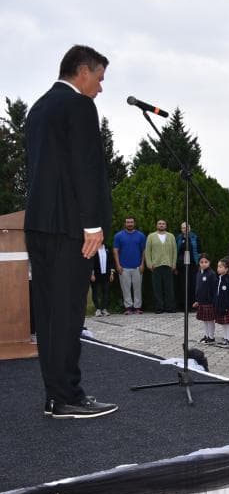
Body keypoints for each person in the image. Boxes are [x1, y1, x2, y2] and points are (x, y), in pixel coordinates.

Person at [25, 45, 117, 418]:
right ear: (82, 71)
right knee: (67, 314)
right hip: (70, 229)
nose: (100, 87)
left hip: (39, 226)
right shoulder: (79, 106)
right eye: (99, 78)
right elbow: (85, 166)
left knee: (48, 315)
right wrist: (92, 224)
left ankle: (54, 395)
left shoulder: (38, 108)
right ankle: (68, 396)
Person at [114, 216, 146, 315]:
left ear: (134, 223)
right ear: (125, 224)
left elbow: (144, 251)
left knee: (137, 288)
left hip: (137, 266)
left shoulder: (140, 235)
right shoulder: (119, 236)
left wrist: (142, 264)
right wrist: (118, 265)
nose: (130, 224)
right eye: (128, 222)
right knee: (125, 288)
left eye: (131, 222)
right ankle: (128, 307)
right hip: (123, 267)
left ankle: (137, 307)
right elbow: (115, 250)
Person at [145, 219, 177, 313]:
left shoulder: (171, 236)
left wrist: (173, 263)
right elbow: (147, 251)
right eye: (159, 224)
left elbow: (174, 251)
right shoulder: (151, 236)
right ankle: (159, 307)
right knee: (157, 288)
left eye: (163, 224)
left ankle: (169, 307)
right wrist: (149, 264)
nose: (161, 225)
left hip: (168, 265)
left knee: (169, 288)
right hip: (156, 265)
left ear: (166, 226)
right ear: (156, 225)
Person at [175, 221, 201, 310]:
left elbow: (199, 250)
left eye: (187, 227)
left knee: (193, 284)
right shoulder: (178, 238)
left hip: (193, 264)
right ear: (181, 229)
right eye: (183, 228)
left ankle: (193, 305)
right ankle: (183, 305)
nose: (185, 229)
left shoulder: (195, 237)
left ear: (189, 228)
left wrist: (199, 263)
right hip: (181, 265)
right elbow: (176, 252)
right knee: (183, 285)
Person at [213, 257, 229, 347]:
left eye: (220, 267)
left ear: (226, 269)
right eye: (218, 266)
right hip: (220, 305)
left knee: (228, 323)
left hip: (227, 306)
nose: (218, 268)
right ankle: (225, 338)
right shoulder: (219, 278)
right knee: (223, 323)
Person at [193, 253, 216, 344]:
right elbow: (198, 287)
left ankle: (211, 336)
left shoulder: (211, 274)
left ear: (209, 263)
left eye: (206, 262)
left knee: (210, 320)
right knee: (204, 320)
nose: (203, 264)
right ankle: (206, 335)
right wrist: (197, 300)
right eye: (201, 262)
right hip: (201, 301)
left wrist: (213, 300)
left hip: (209, 301)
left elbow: (214, 289)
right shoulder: (199, 273)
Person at [90, 242, 114, 316]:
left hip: (106, 274)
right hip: (96, 274)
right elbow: (90, 262)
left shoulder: (107, 248)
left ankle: (104, 309)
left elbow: (111, 261)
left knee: (106, 292)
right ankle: (97, 309)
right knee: (96, 292)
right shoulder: (93, 248)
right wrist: (92, 274)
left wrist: (111, 273)